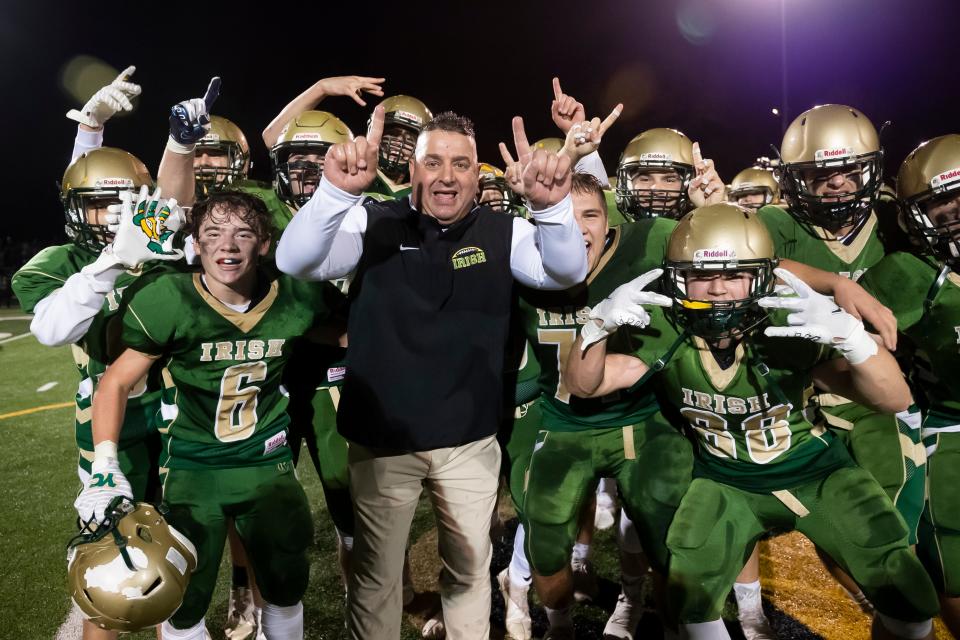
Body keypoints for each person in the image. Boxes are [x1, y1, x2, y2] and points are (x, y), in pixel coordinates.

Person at [275, 105, 588, 639]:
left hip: (468, 438)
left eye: (461, 164)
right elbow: (296, 260)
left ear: (477, 171)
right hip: (383, 440)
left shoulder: (501, 230)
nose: (447, 176)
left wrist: (554, 208)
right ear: (413, 169)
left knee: (469, 574)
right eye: (434, 162)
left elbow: (565, 271)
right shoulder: (373, 218)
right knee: (376, 581)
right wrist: (334, 192)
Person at [565, 202, 940, 640]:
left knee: (908, 602)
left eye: (734, 274)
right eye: (703, 275)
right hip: (726, 481)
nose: (719, 290)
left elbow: (894, 398)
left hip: (815, 473)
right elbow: (585, 385)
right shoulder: (665, 326)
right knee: (691, 603)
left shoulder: (786, 320)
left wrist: (854, 341)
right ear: (677, 276)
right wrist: (594, 329)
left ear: (763, 277)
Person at [77, 190, 343, 640]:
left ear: (265, 244)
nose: (228, 245)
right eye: (213, 234)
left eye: (244, 233)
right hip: (193, 469)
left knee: (285, 589)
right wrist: (104, 464)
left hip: (268, 466)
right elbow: (115, 383)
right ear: (195, 245)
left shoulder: (296, 296)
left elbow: (353, 333)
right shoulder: (170, 298)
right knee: (182, 602)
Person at [859, 133, 960, 637]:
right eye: (943, 202)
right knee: (949, 578)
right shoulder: (908, 275)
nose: (957, 212)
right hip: (952, 436)